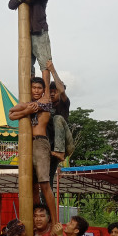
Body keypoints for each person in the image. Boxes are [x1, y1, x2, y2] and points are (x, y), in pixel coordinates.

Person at [9, 77, 57, 226]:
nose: (36, 90)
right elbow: (10, 115)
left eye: (39, 88)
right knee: (33, 185)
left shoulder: (46, 101)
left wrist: (25, 108)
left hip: (40, 142)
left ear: (43, 90)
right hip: (27, 144)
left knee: (44, 183)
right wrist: (27, 110)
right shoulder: (29, 105)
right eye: (33, 88)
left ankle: (55, 221)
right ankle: (36, 219)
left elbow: (14, 112)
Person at [8, 0, 52, 90]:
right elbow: (11, 5)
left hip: (40, 31)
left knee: (44, 63)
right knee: (28, 65)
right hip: (27, 34)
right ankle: (30, 94)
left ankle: (46, 95)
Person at [47, 60, 74, 188]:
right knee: (47, 179)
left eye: (55, 91)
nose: (52, 93)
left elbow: (62, 91)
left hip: (65, 146)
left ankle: (59, 152)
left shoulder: (64, 103)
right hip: (51, 148)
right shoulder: (46, 106)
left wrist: (52, 70)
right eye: (50, 91)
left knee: (57, 118)